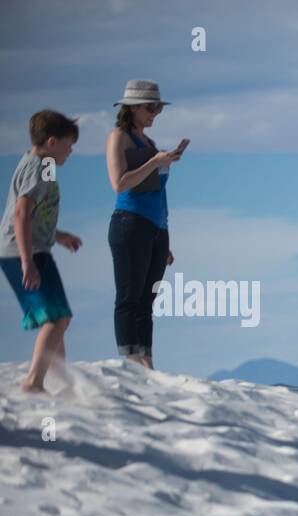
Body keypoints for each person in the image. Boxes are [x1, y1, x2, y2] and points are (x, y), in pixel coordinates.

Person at [0, 110, 82, 393]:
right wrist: (27, 261)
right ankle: (34, 382)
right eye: (69, 145)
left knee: (56, 315)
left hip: (30, 249)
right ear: (51, 141)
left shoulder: (37, 164)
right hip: (26, 252)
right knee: (57, 318)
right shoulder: (39, 166)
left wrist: (57, 236)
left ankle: (61, 381)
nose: (71, 151)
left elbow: (32, 215)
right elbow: (21, 213)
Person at [106, 80, 185, 369]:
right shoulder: (120, 137)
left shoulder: (149, 143)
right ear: (133, 108)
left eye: (158, 108)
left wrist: (164, 236)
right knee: (129, 296)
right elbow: (119, 183)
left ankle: (146, 362)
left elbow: (158, 194)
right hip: (130, 222)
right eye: (150, 108)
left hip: (155, 227)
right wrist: (155, 162)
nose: (155, 113)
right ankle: (131, 360)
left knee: (147, 301)